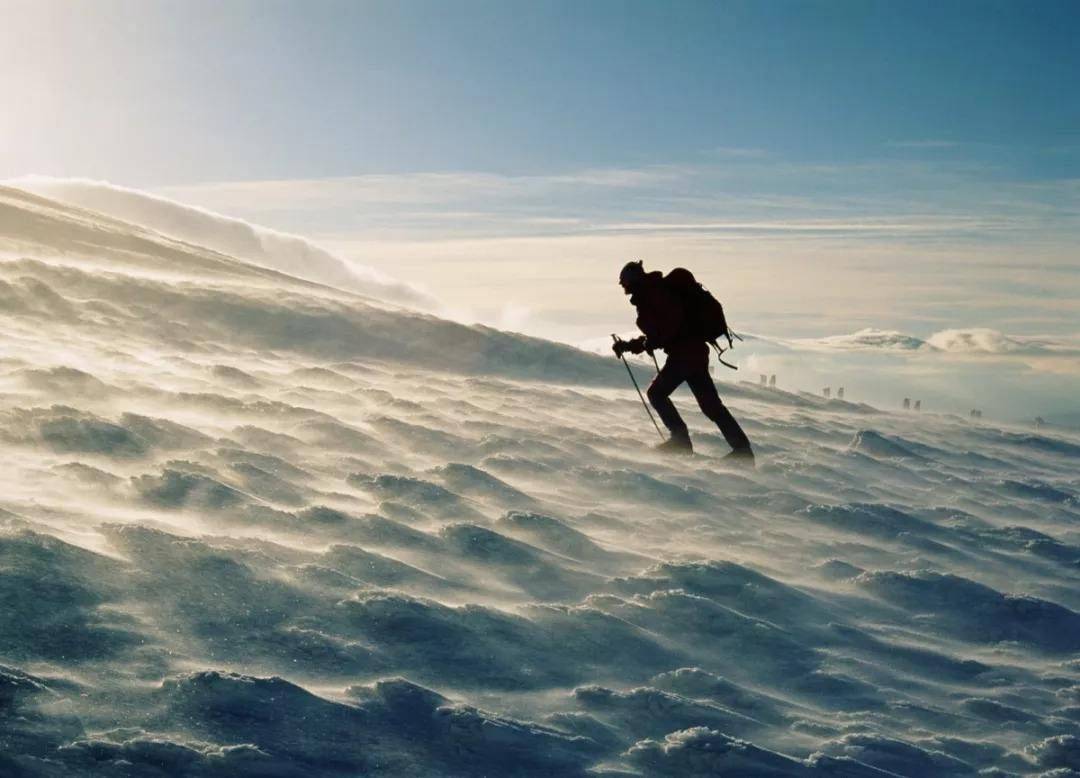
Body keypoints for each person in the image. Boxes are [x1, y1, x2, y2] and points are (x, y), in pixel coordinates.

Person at [613, 260, 754, 460]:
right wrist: (631, 345)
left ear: (631, 281)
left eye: (624, 283)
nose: (624, 288)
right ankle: (742, 450)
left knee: (656, 393)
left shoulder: (653, 294)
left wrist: (652, 342)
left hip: (685, 354)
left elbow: (669, 326)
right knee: (710, 405)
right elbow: (659, 332)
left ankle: (680, 441)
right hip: (693, 352)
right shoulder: (652, 293)